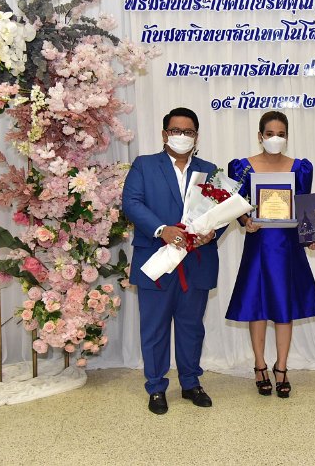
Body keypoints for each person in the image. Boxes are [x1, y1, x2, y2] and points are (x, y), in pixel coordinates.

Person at [122, 107, 224, 415]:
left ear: (196, 136)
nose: (182, 136)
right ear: (165, 134)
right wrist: (161, 230)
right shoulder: (144, 165)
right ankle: (156, 387)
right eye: (176, 131)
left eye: (188, 132)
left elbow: (222, 211)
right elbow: (131, 203)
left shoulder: (210, 169)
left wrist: (211, 233)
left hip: (197, 261)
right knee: (154, 328)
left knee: (192, 327)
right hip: (156, 258)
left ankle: (191, 383)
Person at [226, 111, 315, 398]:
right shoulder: (242, 167)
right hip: (258, 244)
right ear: (260, 136)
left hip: (288, 247)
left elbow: (304, 209)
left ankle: (281, 367)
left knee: (284, 307)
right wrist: (246, 221)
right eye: (270, 134)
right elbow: (235, 205)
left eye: (281, 134)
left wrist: (312, 237)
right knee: (256, 306)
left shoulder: (301, 168)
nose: (275, 138)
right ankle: (260, 366)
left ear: (287, 137)